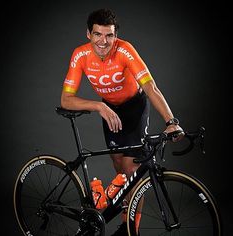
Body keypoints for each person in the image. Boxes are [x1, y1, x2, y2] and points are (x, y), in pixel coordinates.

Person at [61, 8, 183, 236]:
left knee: (132, 171)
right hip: (109, 110)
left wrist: (171, 120)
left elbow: (150, 86)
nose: (103, 41)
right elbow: (65, 99)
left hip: (134, 108)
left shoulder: (125, 50)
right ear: (89, 34)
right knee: (120, 169)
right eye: (98, 34)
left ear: (115, 36)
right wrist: (99, 106)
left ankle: (130, 229)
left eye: (109, 35)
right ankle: (118, 213)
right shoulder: (80, 55)